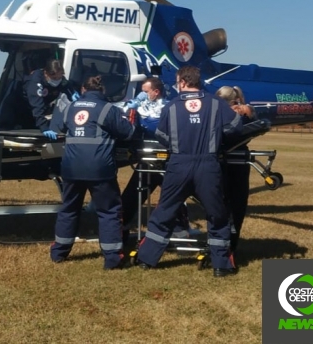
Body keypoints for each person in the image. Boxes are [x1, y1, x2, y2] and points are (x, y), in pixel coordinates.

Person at [136, 65, 243, 277]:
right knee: (216, 214)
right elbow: (235, 128)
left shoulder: (172, 106)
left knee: (165, 210)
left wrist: (178, 145)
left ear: (183, 82)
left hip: (179, 164)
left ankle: (147, 259)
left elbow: (161, 134)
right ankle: (221, 265)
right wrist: (217, 141)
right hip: (208, 165)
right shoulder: (216, 104)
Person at [48, 74, 135, 269]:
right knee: (109, 211)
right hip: (99, 168)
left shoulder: (70, 107)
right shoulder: (107, 109)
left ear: (83, 90)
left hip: (71, 167)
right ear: (102, 91)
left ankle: (58, 253)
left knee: (69, 209)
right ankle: (112, 258)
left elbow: (59, 126)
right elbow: (128, 132)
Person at [121, 77, 189, 240]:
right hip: (146, 158)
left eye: (145, 92)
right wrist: (130, 109)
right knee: (131, 195)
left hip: (166, 160)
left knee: (173, 195)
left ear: (156, 92)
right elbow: (126, 126)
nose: (142, 95)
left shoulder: (169, 107)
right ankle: (122, 227)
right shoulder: (139, 109)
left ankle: (180, 230)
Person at [216, 85, 257, 253]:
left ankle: (229, 243)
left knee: (231, 204)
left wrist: (243, 112)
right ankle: (228, 242)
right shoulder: (239, 114)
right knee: (233, 204)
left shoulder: (242, 114)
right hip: (231, 161)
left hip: (233, 161)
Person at [23, 57, 78, 135]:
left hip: (43, 106)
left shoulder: (60, 78)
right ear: (46, 73)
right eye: (54, 78)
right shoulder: (35, 83)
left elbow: (66, 84)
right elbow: (37, 106)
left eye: (59, 77)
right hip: (27, 108)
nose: (57, 80)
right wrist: (44, 128)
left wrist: (72, 92)